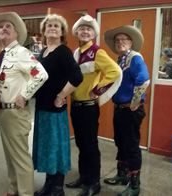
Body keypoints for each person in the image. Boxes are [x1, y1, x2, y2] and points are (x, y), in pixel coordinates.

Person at [0, 12, 48, 196]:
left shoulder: (21, 52)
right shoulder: (3, 55)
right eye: (0, 27)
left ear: (16, 34)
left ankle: (26, 193)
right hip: (4, 112)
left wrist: (24, 95)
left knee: (20, 157)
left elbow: (41, 75)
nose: (3, 29)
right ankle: (13, 189)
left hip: (16, 112)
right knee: (10, 155)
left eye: (8, 27)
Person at [65, 15, 122, 196]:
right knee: (81, 144)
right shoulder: (76, 53)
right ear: (77, 32)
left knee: (90, 145)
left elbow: (114, 71)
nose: (85, 31)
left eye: (89, 29)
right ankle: (84, 177)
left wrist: (97, 90)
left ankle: (94, 183)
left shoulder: (97, 52)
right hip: (75, 106)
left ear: (93, 34)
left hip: (89, 107)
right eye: (82, 28)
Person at [33, 14, 83, 196]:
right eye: (49, 25)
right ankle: (48, 184)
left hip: (55, 110)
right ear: (44, 30)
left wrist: (61, 95)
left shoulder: (63, 51)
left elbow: (77, 76)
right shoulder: (43, 52)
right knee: (47, 147)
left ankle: (57, 188)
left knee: (57, 148)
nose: (52, 28)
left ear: (62, 32)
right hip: (42, 108)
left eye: (56, 26)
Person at [103, 25, 150, 196]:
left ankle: (134, 184)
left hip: (130, 111)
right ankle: (122, 175)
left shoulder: (135, 58)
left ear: (131, 42)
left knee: (131, 146)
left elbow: (144, 80)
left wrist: (134, 102)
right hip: (120, 110)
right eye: (117, 40)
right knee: (121, 143)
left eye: (124, 39)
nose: (120, 42)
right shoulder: (120, 60)